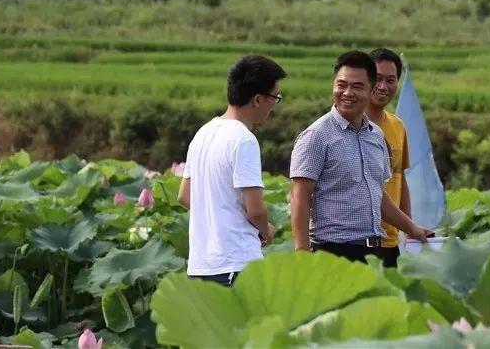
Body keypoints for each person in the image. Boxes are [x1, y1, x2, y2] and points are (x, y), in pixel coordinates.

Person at [289, 50, 430, 263]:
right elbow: (300, 196)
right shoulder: (316, 136)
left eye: (357, 87)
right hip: (333, 251)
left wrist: (412, 229)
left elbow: (378, 194)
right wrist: (302, 253)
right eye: (341, 85)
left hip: (376, 249)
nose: (347, 93)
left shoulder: (376, 135)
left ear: (370, 89)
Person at [177, 54, 286, 286]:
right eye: (275, 97)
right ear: (258, 100)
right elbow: (255, 210)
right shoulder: (244, 139)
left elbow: (185, 196)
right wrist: (266, 230)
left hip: (200, 265)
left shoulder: (203, 133)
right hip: (237, 264)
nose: (274, 105)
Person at [366, 48, 411, 268]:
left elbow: (401, 178)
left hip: (390, 240)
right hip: (357, 241)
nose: (383, 86)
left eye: (391, 80)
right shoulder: (347, 126)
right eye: (377, 78)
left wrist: (409, 228)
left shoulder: (398, 126)